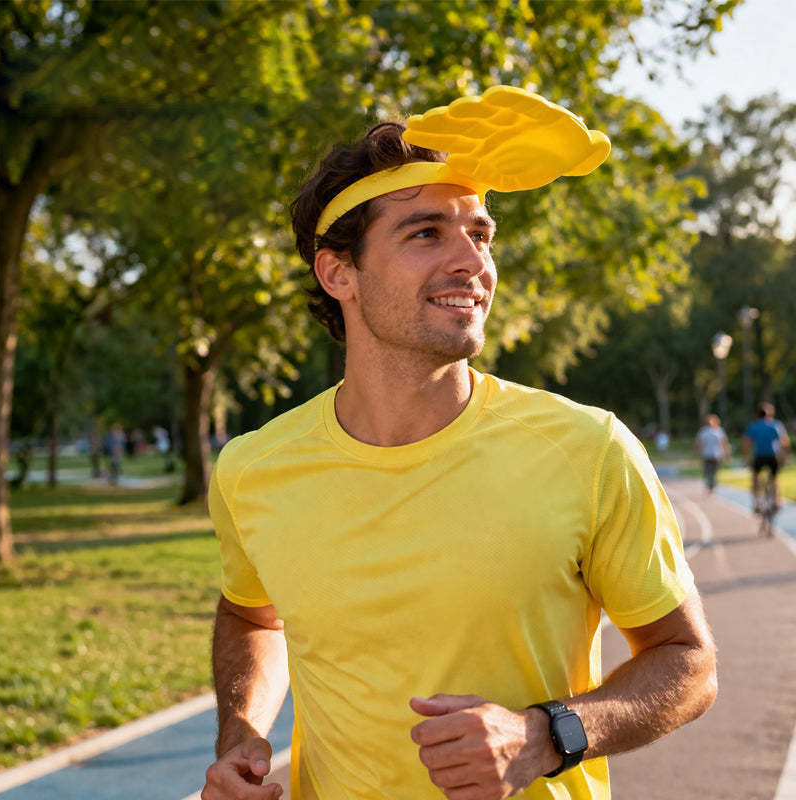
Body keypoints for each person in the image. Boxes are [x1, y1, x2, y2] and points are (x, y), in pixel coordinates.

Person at [202, 87, 716, 800]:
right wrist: (241, 734)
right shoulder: (253, 468)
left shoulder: (587, 447)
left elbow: (687, 661)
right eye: (426, 233)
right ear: (337, 271)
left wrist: (546, 735)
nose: (471, 262)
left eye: (479, 233)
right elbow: (251, 614)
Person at [743, 401, 792, 513]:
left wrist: (746, 457)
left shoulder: (753, 426)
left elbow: (747, 443)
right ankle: (775, 501)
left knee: (755, 477)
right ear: (771, 414)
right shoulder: (776, 425)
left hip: (759, 456)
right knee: (774, 479)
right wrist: (787, 456)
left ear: (757, 414)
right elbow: (784, 441)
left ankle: (757, 503)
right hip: (773, 456)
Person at [694, 414, 731, 494]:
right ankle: (711, 486)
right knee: (712, 472)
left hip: (712, 455)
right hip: (713, 455)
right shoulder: (718, 431)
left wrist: (697, 452)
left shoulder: (705, 431)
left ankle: (711, 486)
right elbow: (724, 444)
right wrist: (727, 455)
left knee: (709, 472)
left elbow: (698, 443)